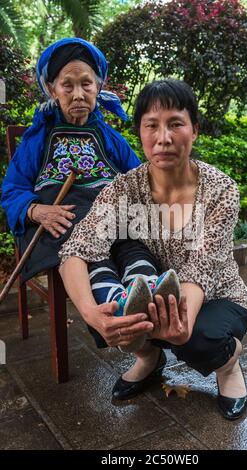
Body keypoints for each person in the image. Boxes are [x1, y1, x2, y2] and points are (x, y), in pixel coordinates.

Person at [59, 79, 247, 420]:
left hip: (216, 296)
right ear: (140, 133)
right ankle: (149, 358)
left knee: (194, 341)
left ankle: (229, 363)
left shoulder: (221, 190)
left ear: (194, 131)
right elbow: (76, 249)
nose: (163, 138)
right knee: (103, 299)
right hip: (155, 288)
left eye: (176, 123)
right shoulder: (124, 188)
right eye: (152, 125)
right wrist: (91, 314)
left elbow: (200, 269)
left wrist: (183, 325)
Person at [1, 37, 166, 330]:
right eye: (68, 85)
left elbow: (141, 179)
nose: (78, 94)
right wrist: (38, 211)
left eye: (86, 84)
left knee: (133, 241)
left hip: (113, 221)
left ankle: (149, 290)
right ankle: (116, 306)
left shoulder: (110, 137)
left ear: (98, 87)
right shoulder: (38, 137)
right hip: (65, 224)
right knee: (86, 251)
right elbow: (12, 189)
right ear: (52, 90)